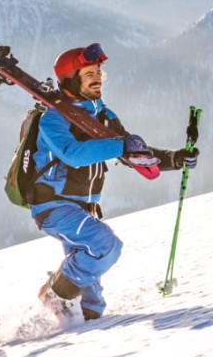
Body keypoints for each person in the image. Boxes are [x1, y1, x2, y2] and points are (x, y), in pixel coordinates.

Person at [31, 43, 199, 321]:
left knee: (92, 296)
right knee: (105, 246)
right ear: (72, 79)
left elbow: (134, 152)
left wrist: (175, 159)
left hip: (83, 208)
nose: (98, 77)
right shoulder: (53, 119)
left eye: (99, 72)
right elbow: (73, 154)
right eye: (89, 74)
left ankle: (81, 323)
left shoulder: (103, 116)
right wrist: (121, 147)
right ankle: (54, 293)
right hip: (53, 206)